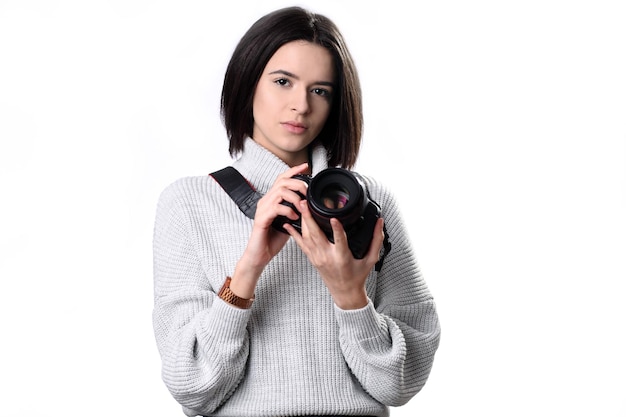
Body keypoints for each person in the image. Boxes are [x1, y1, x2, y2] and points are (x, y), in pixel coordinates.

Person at [152, 6, 440, 417]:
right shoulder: (189, 202)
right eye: (283, 82)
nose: (301, 106)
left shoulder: (369, 201)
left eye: (320, 90)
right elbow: (193, 386)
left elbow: (401, 382)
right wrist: (251, 264)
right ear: (247, 81)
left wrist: (350, 297)